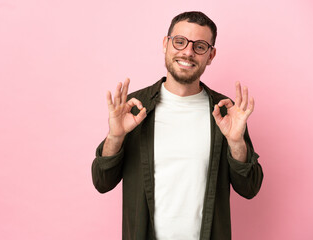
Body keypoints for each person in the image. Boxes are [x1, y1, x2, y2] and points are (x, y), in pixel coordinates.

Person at [91, 11, 263, 240]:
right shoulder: (134, 108)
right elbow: (102, 182)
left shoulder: (225, 112)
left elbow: (249, 188)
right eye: (180, 41)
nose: (188, 52)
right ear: (166, 44)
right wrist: (115, 137)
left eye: (200, 46)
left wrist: (236, 143)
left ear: (211, 55)